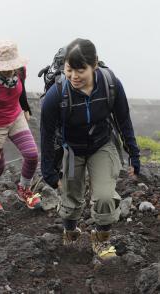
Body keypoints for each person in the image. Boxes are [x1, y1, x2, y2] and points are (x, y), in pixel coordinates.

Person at [40, 38, 141, 259]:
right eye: (69, 69)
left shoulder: (110, 84)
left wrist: (134, 154)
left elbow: (123, 120)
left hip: (101, 144)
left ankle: (101, 239)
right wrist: (48, 170)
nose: (74, 76)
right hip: (71, 149)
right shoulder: (56, 95)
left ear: (94, 65)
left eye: (80, 70)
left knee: (105, 196)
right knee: (70, 198)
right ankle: (70, 231)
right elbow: (46, 135)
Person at [0, 40, 39, 213]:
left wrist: (25, 107)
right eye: (3, 66)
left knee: (32, 155)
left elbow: (22, 90)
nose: (7, 69)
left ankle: (24, 189)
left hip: (15, 117)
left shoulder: (20, 71)